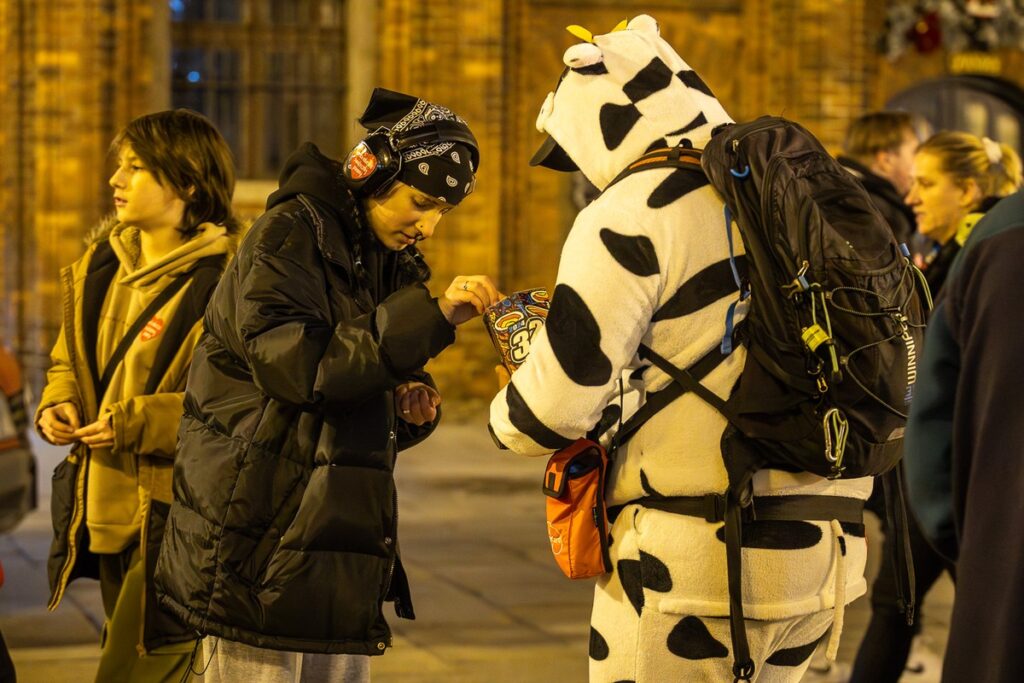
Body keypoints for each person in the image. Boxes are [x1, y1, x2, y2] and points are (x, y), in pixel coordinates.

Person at [489, 16, 872, 682]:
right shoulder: (793, 191)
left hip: (693, 564)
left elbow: (547, 415)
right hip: (827, 554)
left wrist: (512, 394)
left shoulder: (631, 212)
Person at [153, 88, 500, 682]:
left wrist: (408, 405)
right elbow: (301, 370)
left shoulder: (383, 256)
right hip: (257, 538)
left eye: (445, 210)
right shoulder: (289, 235)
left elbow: (362, 375)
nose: (431, 227)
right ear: (374, 172)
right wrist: (434, 318)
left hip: (331, 540)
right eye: (422, 202)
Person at [34, 109, 239, 682]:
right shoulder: (97, 268)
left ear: (188, 182)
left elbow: (232, 407)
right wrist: (58, 402)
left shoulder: (224, 283)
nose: (115, 181)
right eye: (119, 166)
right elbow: (66, 363)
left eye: (137, 167)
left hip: (172, 516)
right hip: (100, 504)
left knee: (134, 668)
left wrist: (134, 422)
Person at [846, 132, 1021, 683]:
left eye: (927, 183)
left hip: (963, 487)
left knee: (901, 606)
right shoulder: (964, 249)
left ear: (968, 190)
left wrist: (944, 509)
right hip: (961, 491)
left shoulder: (990, 247)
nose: (912, 196)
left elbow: (939, 387)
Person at [904, 187, 1024, 683]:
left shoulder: (999, 234)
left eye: (928, 183)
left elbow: (932, 418)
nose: (914, 196)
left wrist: (980, 545)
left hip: (1004, 572)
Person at [837, 111, 924, 248]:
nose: (919, 164)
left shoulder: (837, 191)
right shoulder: (882, 213)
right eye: (915, 153)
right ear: (886, 160)